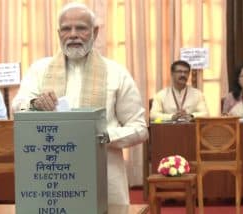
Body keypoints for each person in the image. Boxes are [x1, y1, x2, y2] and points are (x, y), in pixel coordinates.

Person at [12, 2, 148, 205]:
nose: (73, 34)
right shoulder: (39, 70)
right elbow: (18, 107)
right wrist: (35, 103)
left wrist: (102, 136)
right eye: (66, 29)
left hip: (104, 172)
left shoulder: (116, 73)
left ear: (95, 31)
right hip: (52, 176)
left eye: (81, 28)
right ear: (59, 34)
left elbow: (140, 129)